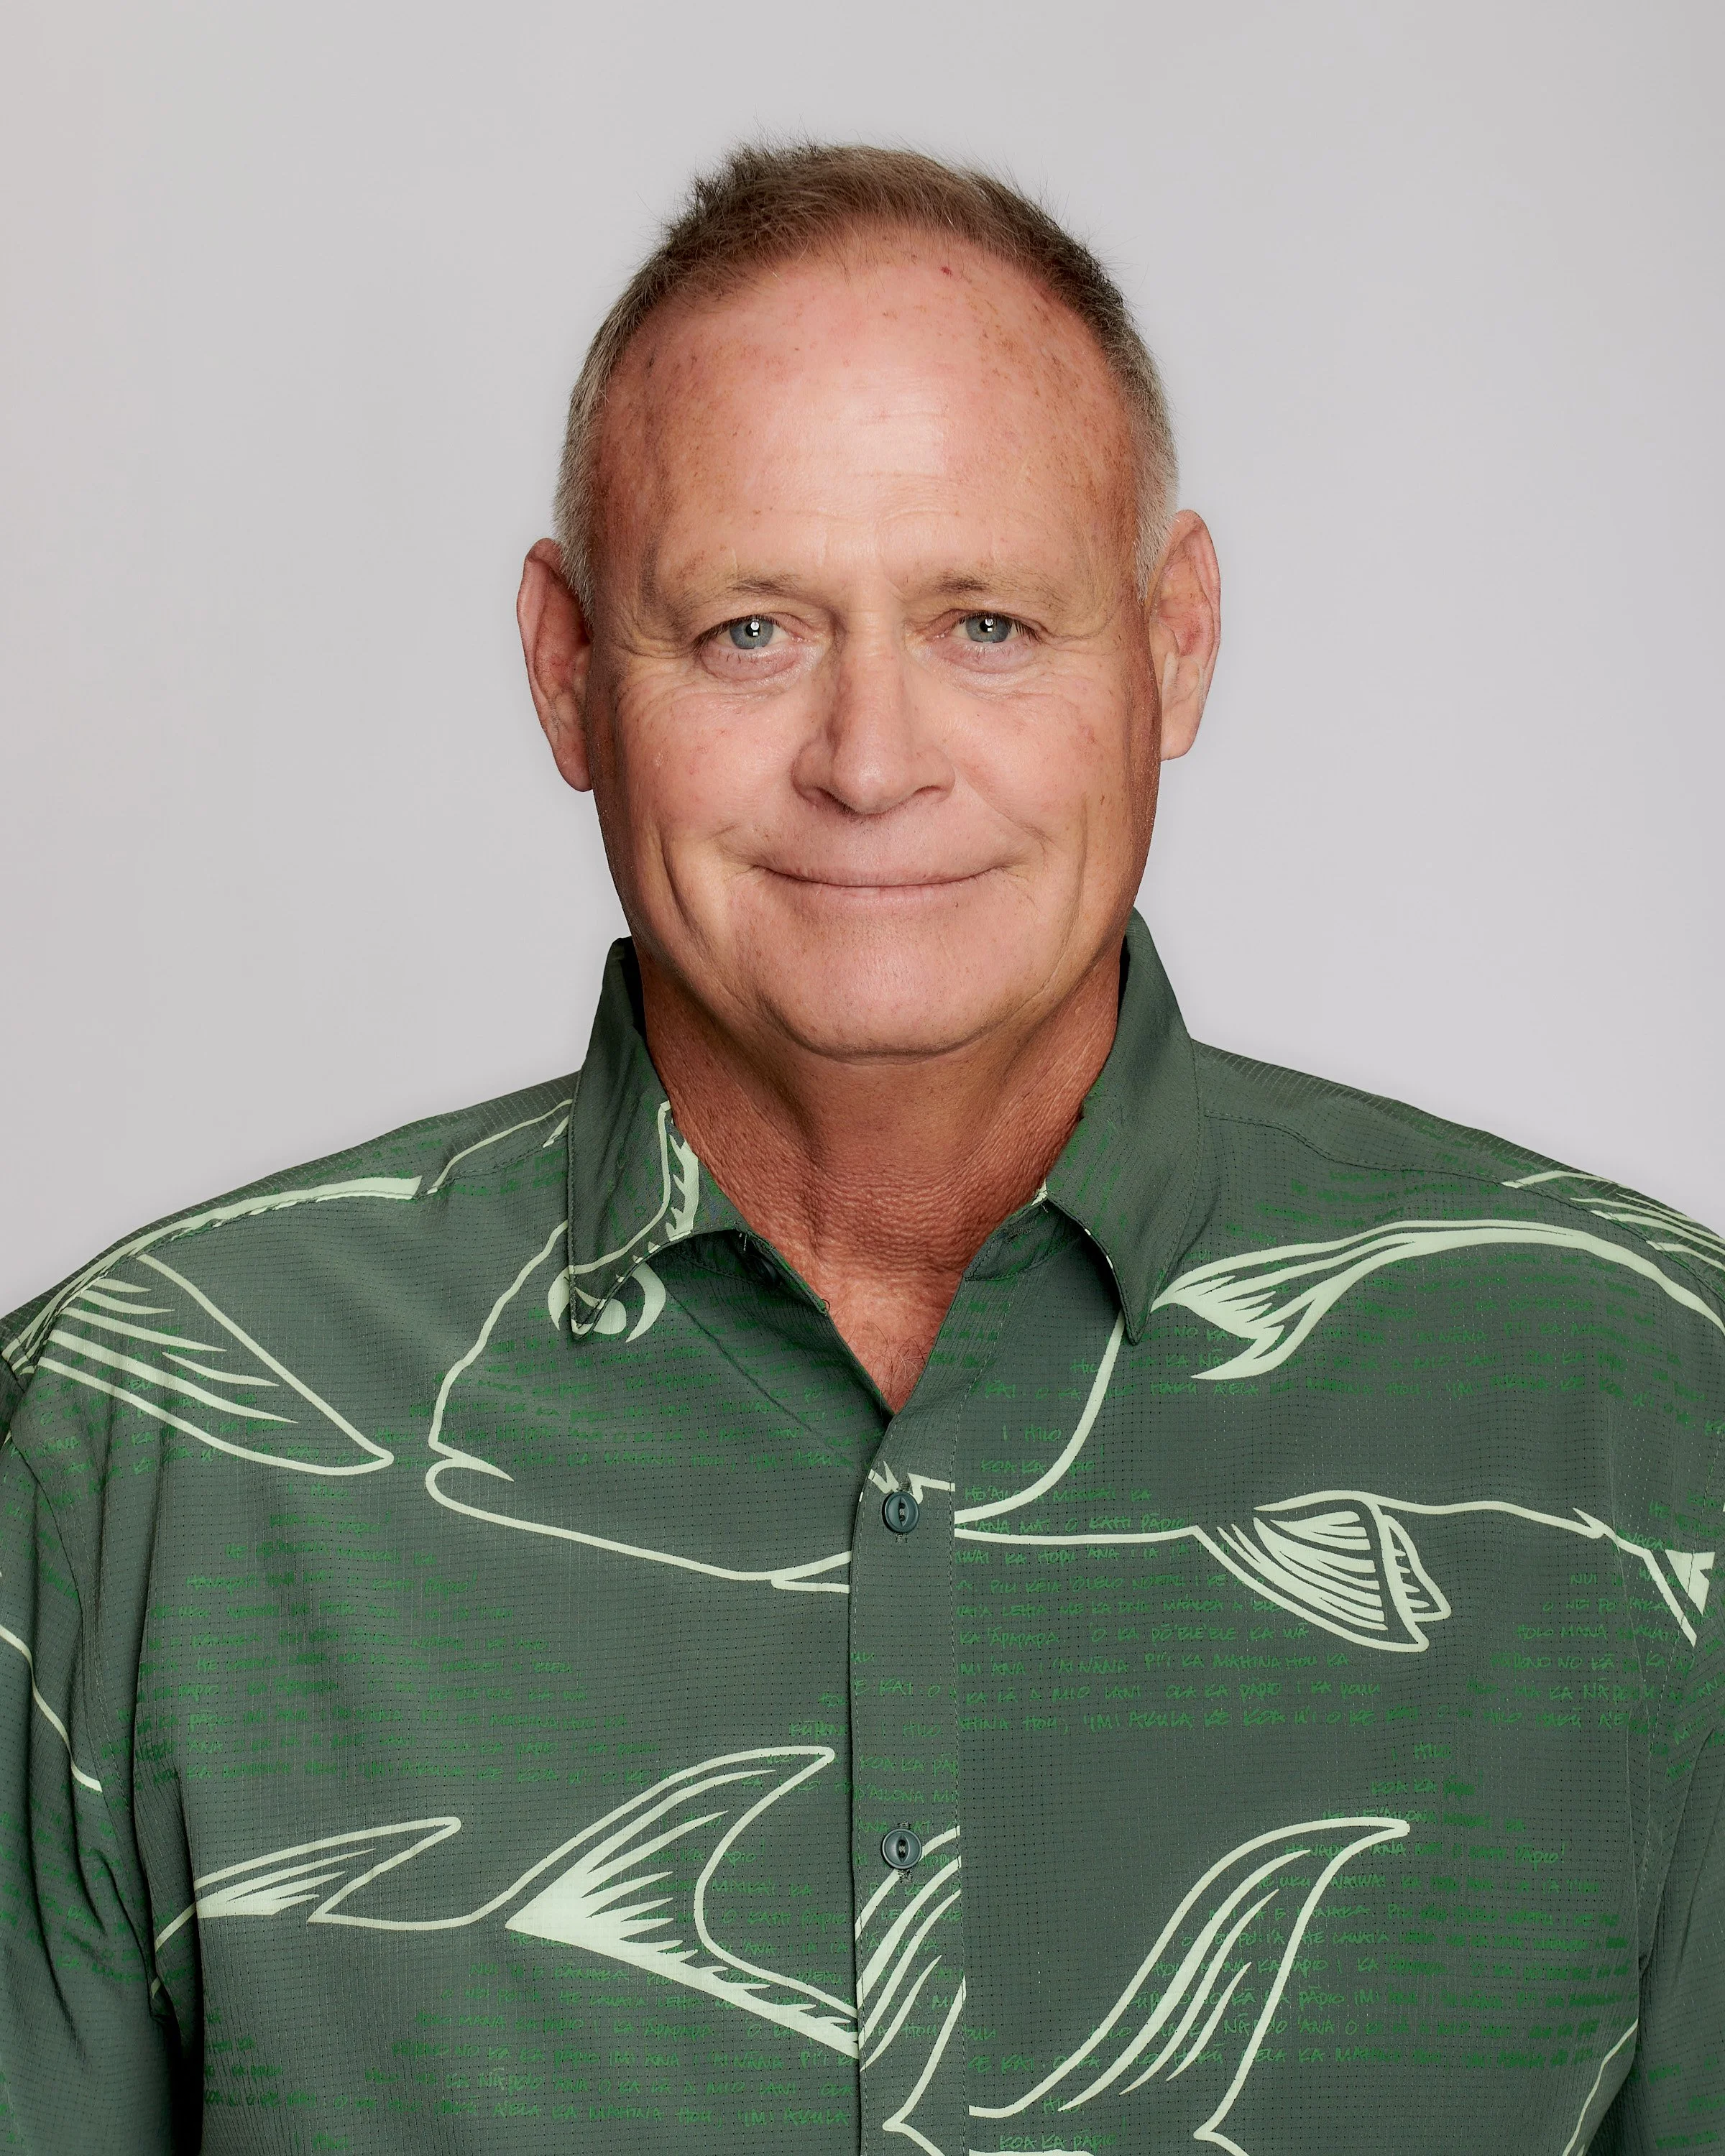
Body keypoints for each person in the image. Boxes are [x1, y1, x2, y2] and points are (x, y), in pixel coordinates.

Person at [1, 140, 1718, 2156]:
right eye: (751, 631)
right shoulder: (127, 1455)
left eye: (987, 623)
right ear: (566, 674)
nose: (872, 761)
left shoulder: (1653, 1411)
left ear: (1175, 643)